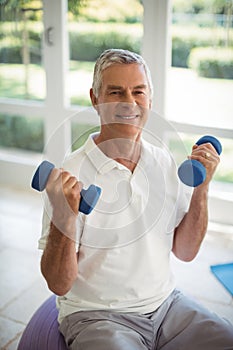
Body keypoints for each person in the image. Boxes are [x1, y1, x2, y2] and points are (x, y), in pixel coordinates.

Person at [38, 49, 233, 350]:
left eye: (138, 92)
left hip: (168, 306)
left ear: (150, 100)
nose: (129, 103)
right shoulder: (70, 176)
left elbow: (185, 250)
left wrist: (202, 188)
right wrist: (63, 219)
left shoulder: (163, 161)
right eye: (116, 92)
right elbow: (59, 283)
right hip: (98, 315)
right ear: (95, 99)